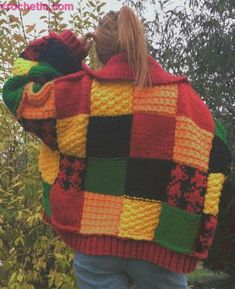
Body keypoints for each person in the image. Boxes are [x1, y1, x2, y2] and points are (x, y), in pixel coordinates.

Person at [2, 5, 232, 289]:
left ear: (98, 48)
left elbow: (18, 93)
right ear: (139, 41)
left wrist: (64, 56)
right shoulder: (183, 100)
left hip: (94, 245)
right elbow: (218, 151)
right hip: (159, 249)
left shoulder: (76, 95)